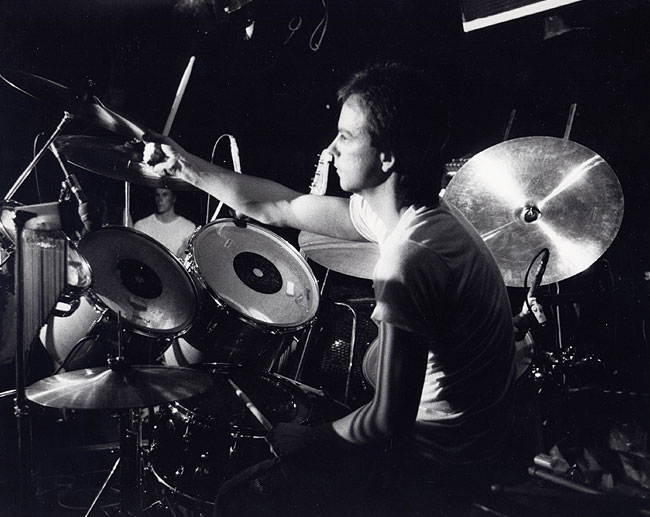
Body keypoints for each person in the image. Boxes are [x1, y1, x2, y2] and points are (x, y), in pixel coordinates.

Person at [145, 62, 516, 515]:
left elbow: (386, 421)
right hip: (460, 444)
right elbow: (279, 205)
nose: (331, 149)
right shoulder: (412, 214)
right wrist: (183, 165)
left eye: (346, 136)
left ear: (388, 157)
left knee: (234, 499)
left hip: (435, 467)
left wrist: (311, 439)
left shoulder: (411, 258)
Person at [133, 187, 196, 258]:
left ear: (174, 198)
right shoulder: (141, 226)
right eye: (157, 195)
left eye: (165, 195)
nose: (160, 199)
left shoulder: (188, 228)